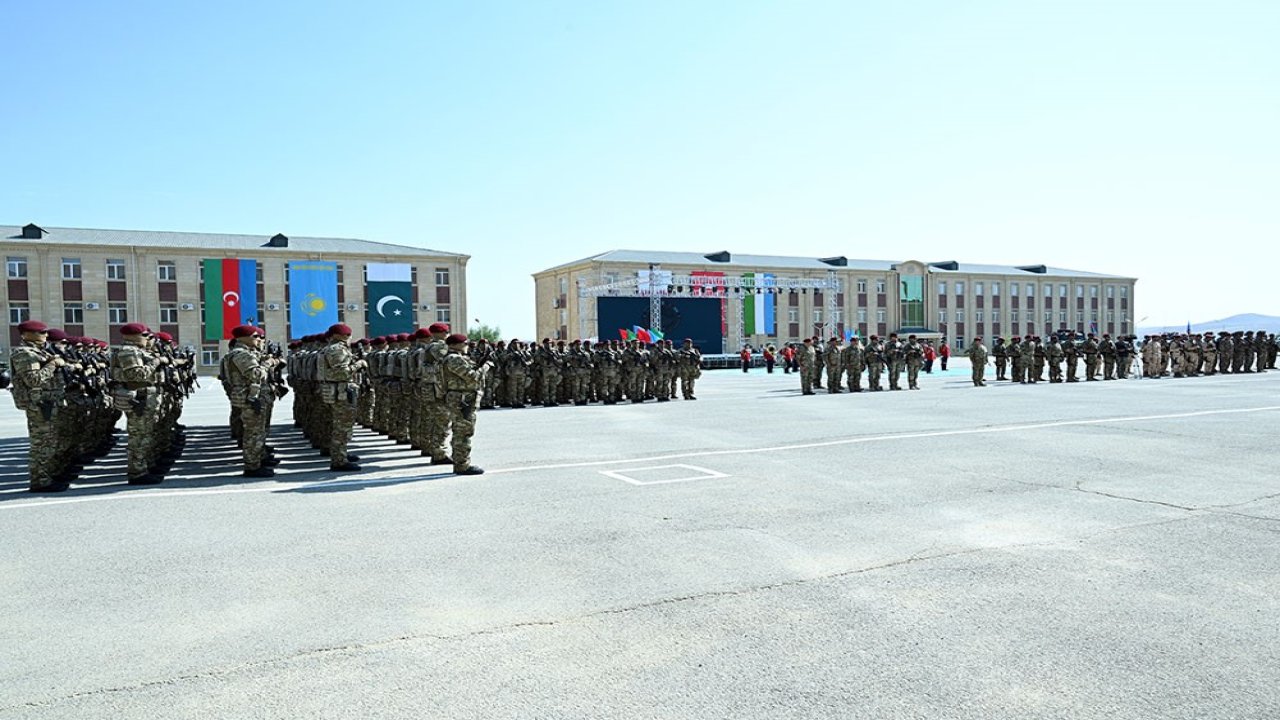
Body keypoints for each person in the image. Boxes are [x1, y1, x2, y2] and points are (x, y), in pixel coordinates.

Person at [9, 320, 72, 492]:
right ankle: (40, 481)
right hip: (40, 404)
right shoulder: (24, 353)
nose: (45, 335)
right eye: (41, 332)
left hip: (48, 401)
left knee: (50, 442)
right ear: (25, 335)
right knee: (42, 444)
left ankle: (47, 476)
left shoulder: (39, 352)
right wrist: (52, 364)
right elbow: (34, 379)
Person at [110, 323, 166, 485]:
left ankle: (144, 467)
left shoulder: (138, 351)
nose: (148, 339)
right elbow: (137, 374)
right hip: (138, 399)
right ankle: (137, 473)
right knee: (139, 437)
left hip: (144, 397)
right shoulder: (129, 351)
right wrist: (156, 361)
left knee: (145, 435)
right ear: (134, 336)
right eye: (145, 336)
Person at [224, 324, 276, 477]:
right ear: (243, 338)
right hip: (251, 397)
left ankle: (257, 460)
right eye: (255, 336)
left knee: (256, 431)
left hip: (250, 396)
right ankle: (252, 466)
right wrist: (268, 364)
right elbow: (256, 374)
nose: (259, 339)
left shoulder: (242, 353)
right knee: (254, 433)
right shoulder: (242, 354)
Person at [317, 323, 365, 471]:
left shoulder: (328, 349)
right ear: (344, 336)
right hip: (341, 393)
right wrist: (359, 364)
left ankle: (340, 454)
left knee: (339, 426)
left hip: (336, 392)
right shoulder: (338, 350)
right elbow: (342, 373)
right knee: (342, 427)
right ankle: (339, 460)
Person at [441, 333, 487, 475]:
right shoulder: (454, 359)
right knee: (463, 431)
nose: (466, 346)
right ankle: (462, 465)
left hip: (461, 397)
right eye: (464, 343)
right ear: (455, 345)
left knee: (461, 430)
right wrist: (485, 368)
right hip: (461, 398)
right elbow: (472, 377)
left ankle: (460, 461)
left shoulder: (458, 358)